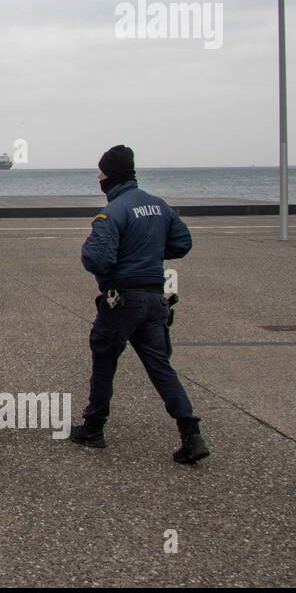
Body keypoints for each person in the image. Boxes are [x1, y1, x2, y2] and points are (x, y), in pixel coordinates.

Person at [69, 145, 209, 465]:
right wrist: (148, 254)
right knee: (160, 367)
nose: (98, 177)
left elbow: (96, 258)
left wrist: (119, 265)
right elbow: (181, 243)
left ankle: (93, 428)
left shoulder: (113, 212)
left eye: (101, 172)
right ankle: (191, 434)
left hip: (122, 301)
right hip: (155, 301)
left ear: (112, 175)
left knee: (104, 362)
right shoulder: (159, 206)